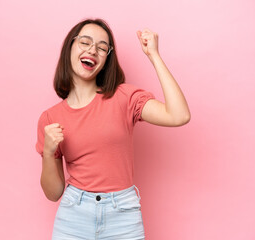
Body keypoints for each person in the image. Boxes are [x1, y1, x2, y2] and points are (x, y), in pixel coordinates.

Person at [36, 18, 190, 240]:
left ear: (106, 59)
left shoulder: (124, 98)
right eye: (85, 42)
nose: (93, 50)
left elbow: (179, 115)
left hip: (123, 215)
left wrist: (154, 56)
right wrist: (49, 153)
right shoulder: (50, 118)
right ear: (69, 47)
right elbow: (53, 193)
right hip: (73, 216)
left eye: (101, 48)